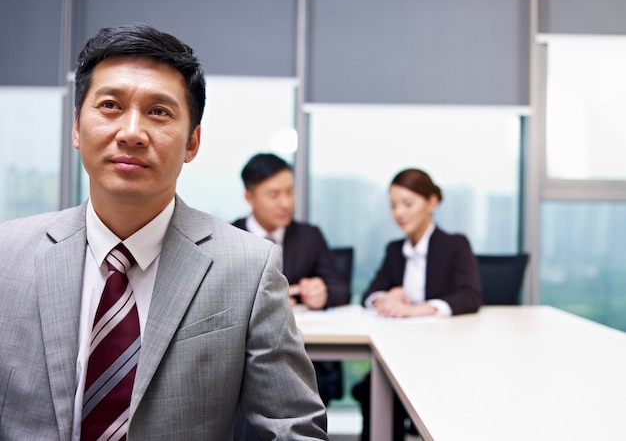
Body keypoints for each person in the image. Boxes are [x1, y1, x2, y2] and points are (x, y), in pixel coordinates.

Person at [0, 24, 328, 441]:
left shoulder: (248, 267)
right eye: (110, 105)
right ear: (77, 129)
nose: (132, 133)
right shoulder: (6, 256)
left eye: (159, 111)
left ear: (192, 143)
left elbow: (291, 428)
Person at [352, 167, 482, 441]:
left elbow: (470, 295)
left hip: (444, 355)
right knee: (373, 389)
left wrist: (419, 310)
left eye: (408, 204)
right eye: (393, 206)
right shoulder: (394, 251)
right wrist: (385, 298)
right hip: (400, 352)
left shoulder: (454, 245)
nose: (399, 213)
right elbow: (369, 293)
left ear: (432, 203)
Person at [233, 153, 351, 405]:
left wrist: (322, 293)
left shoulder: (309, 236)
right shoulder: (230, 236)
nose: (285, 203)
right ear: (249, 197)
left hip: (301, 355)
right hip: (242, 359)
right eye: (274, 195)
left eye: (290, 192)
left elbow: (341, 288)